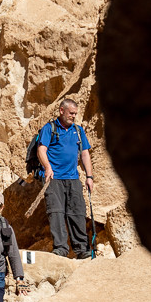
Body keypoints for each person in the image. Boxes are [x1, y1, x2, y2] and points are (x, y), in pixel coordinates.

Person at [36, 98, 94, 257]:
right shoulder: (50, 128)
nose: (74, 116)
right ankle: (61, 249)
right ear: (61, 111)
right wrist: (48, 168)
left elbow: (84, 154)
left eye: (75, 114)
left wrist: (89, 176)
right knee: (56, 212)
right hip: (53, 178)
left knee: (77, 212)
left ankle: (82, 249)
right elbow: (41, 149)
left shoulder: (78, 130)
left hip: (73, 178)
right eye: (71, 113)